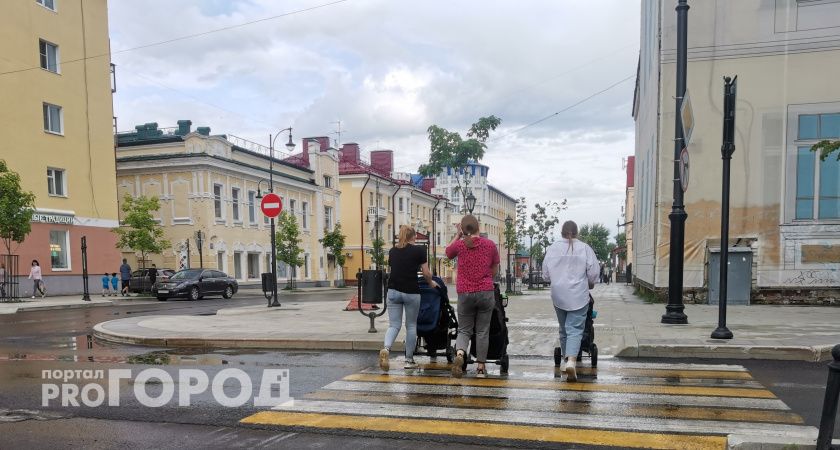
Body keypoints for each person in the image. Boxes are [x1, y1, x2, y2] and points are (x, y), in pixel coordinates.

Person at [542, 220, 598, 381]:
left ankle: (566, 360)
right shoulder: (585, 248)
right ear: (576, 232)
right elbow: (594, 273)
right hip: (578, 294)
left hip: (558, 294)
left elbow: (546, 274)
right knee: (574, 328)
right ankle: (572, 361)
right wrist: (589, 281)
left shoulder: (553, 248)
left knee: (564, 328)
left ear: (561, 232)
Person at [446, 215, 500, 378]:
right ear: (479, 227)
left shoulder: (461, 245)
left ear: (463, 229)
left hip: (465, 293)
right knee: (483, 331)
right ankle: (481, 368)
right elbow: (495, 269)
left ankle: (461, 354)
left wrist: (458, 235)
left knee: (464, 330)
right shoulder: (490, 245)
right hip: (485, 292)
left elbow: (448, 252)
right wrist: (485, 278)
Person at [379, 226, 438, 371]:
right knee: (411, 326)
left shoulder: (392, 251)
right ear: (413, 237)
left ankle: (386, 349)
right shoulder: (419, 250)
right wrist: (431, 283)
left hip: (393, 291)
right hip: (411, 292)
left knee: (394, 325)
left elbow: (396, 269)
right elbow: (426, 273)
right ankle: (409, 360)